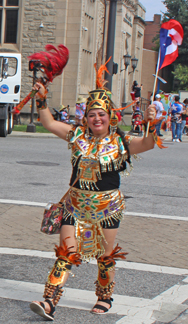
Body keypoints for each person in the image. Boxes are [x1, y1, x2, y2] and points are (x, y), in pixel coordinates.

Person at [29, 65, 159, 320]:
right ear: (85, 117)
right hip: (75, 206)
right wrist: (42, 98)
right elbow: (48, 122)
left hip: (107, 208)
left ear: (110, 116)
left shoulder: (121, 141)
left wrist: (152, 124)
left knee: (105, 256)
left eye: (101, 114)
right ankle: (49, 302)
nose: (96, 118)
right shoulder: (76, 135)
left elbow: (147, 144)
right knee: (66, 254)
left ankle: (104, 297)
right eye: (91, 114)